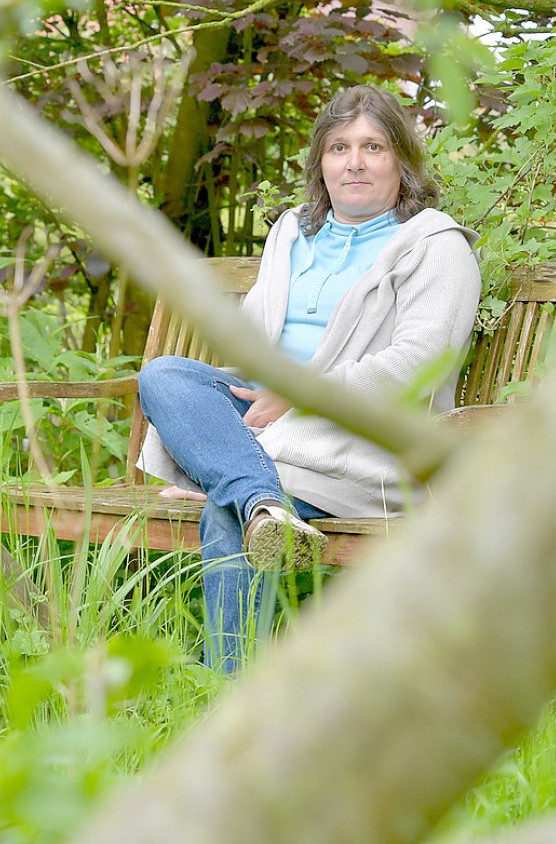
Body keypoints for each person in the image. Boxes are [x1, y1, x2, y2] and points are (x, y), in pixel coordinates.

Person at [135, 85, 481, 673]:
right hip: (267, 425)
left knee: (230, 512)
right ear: (320, 161)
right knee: (165, 374)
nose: (354, 162)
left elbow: (419, 362)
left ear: (401, 159)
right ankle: (258, 493)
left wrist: (298, 395)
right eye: (339, 146)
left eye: (373, 147)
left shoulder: (435, 247)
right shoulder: (294, 233)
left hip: (360, 446)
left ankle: (228, 689)